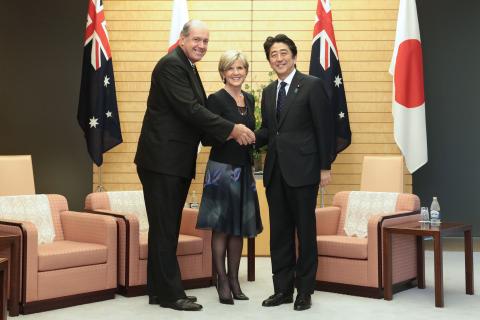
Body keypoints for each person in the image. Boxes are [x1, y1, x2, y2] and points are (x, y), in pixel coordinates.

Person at [134, 20, 255, 312]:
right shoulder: (171, 65)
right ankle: (172, 295)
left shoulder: (187, 66)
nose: (201, 45)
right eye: (197, 40)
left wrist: (225, 134)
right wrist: (232, 129)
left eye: (205, 41)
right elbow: (191, 110)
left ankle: (157, 290)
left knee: (165, 228)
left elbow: (195, 116)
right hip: (162, 161)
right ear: (183, 38)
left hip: (172, 161)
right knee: (165, 229)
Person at [255, 34, 333, 311]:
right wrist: (242, 135)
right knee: (279, 233)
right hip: (275, 172)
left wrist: (325, 166)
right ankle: (283, 290)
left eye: (283, 52)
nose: (279, 58)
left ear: (294, 56)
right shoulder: (267, 92)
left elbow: (325, 128)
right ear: (269, 61)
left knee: (305, 232)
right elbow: (268, 130)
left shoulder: (311, 85)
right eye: (273, 55)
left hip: (305, 171)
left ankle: (305, 291)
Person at [196, 50, 263, 305]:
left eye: (240, 68)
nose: (236, 72)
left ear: (245, 71)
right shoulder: (215, 99)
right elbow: (207, 137)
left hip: (244, 169)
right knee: (222, 228)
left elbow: (253, 135)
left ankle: (235, 280)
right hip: (221, 171)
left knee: (239, 229)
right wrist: (233, 133)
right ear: (223, 72)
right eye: (231, 68)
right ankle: (221, 280)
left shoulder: (250, 98)